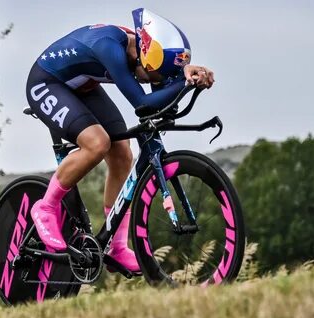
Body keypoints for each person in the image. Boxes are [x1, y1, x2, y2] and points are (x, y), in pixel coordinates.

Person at [26, 8, 215, 274]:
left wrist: (186, 77)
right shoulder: (110, 48)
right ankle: (45, 207)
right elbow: (142, 103)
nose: (145, 80)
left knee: (122, 153)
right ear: (144, 56)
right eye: (149, 76)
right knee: (97, 143)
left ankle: (116, 247)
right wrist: (183, 84)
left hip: (83, 87)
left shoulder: (143, 53)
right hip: (47, 82)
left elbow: (161, 105)